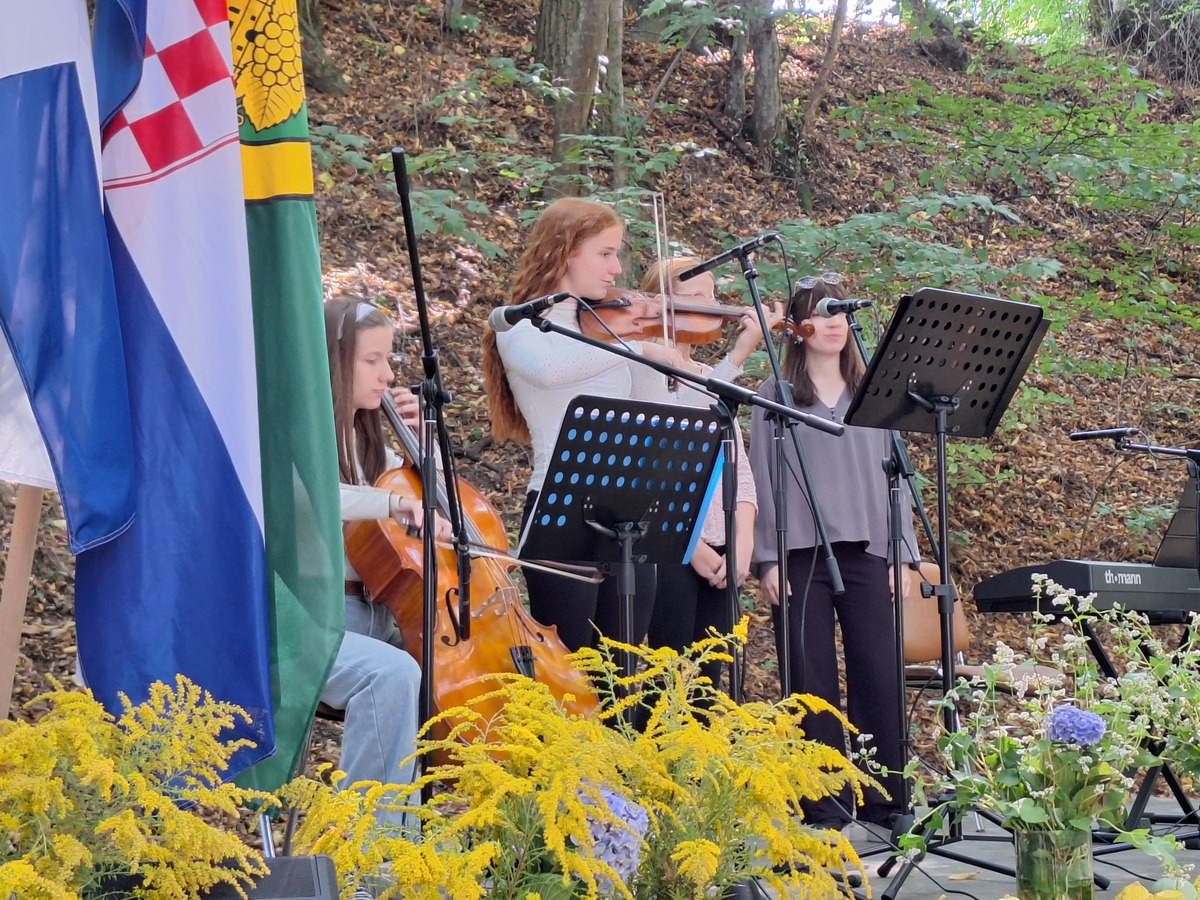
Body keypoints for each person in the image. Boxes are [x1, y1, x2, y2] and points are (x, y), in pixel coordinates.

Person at [748, 273, 921, 831]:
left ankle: (886, 798)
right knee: (811, 680)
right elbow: (762, 477)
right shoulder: (774, 395)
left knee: (879, 672)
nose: (836, 324)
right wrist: (767, 558)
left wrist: (902, 552)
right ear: (798, 327)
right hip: (800, 555)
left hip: (868, 551)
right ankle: (822, 802)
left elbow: (895, 478)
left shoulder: (875, 393)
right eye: (823, 313)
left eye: (842, 313)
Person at [481, 197, 683, 652]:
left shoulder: (608, 326)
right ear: (566, 251)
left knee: (622, 667)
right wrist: (635, 348)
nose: (617, 268)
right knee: (571, 664)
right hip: (561, 503)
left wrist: (652, 344)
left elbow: (650, 403)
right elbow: (551, 371)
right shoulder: (519, 326)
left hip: (626, 508)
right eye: (605, 253)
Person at [320, 296, 451, 828]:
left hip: (381, 613)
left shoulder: (371, 442)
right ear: (335, 362)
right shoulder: (297, 435)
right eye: (372, 360)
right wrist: (393, 503)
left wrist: (423, 447)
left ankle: (414, 838)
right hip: (314, 616)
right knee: (394, 673)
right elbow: (320, 496)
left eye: (388, 359)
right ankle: (368, 851)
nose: (388, 374)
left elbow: (434, 502)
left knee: (450, 674)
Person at [635, 258, 782, 697]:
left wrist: (741, 543)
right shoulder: (639, 371)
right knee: (666, 686)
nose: (712, 306)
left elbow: (739, 472)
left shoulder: (708, 378)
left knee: (705, 687)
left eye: (713, 295)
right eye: (696, 297)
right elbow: (649, 467)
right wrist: (739, 355)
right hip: (668, 545)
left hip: (722, 549)